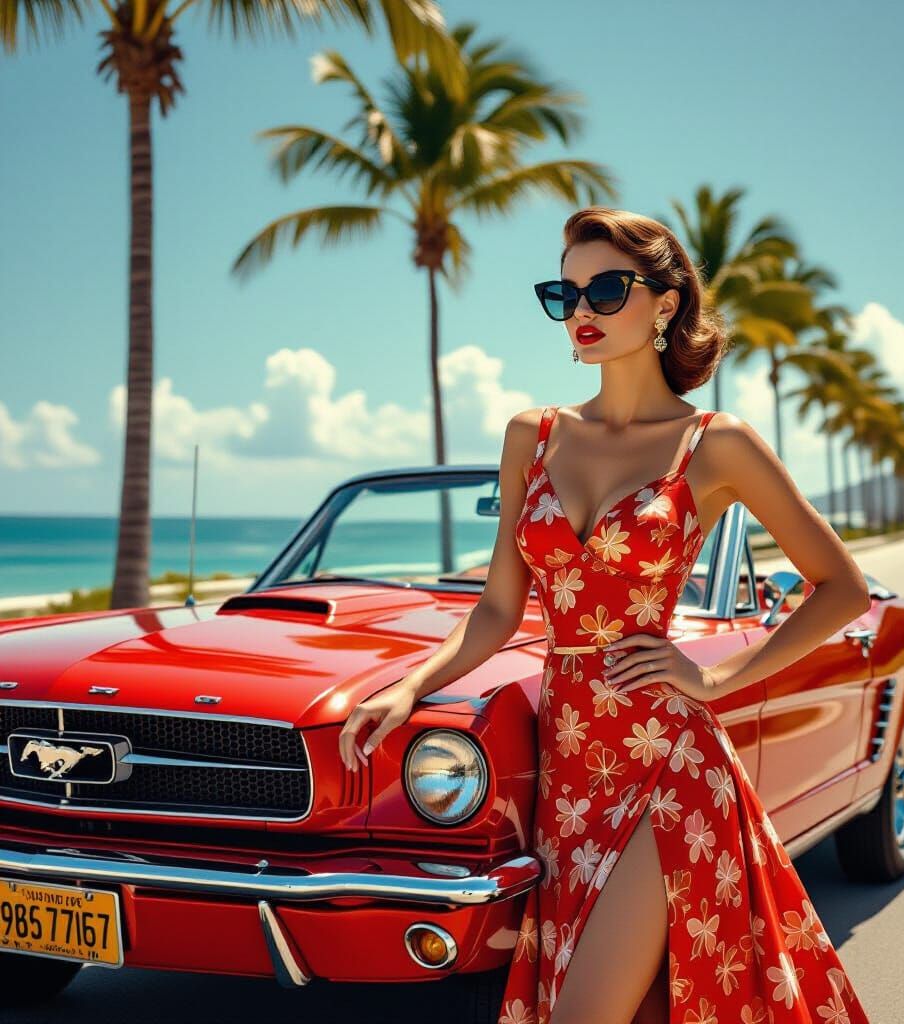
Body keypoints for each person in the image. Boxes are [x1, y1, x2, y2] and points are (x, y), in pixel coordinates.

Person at [339, 206, 874, 1024]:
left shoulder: (715, 444)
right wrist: (411, 686)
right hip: (571, 768)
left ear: (666, 303)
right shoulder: (534, 435)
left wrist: (719, 677)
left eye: (607, 290)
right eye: (566, 293)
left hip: (669, 763)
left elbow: (842, 587)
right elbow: (497, 610)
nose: (581, 310)